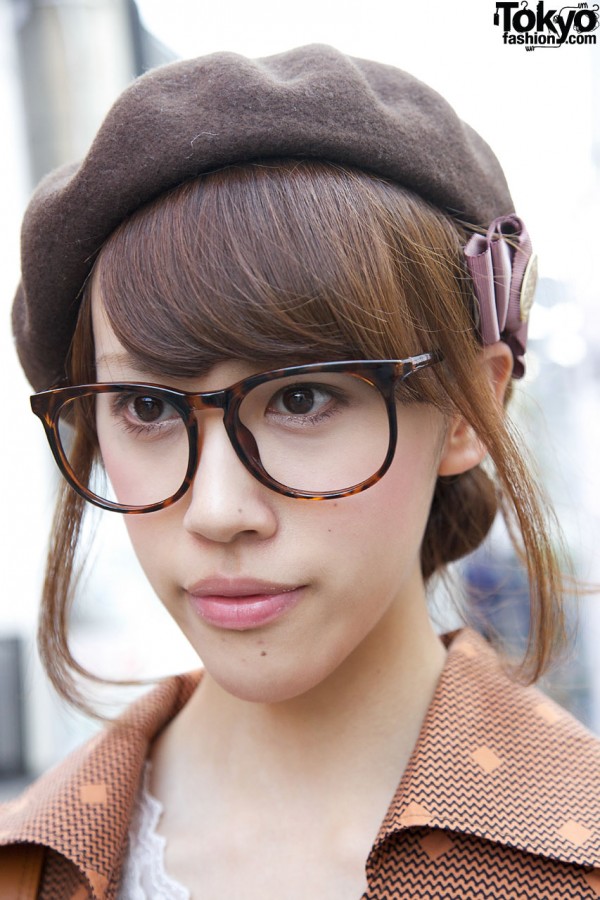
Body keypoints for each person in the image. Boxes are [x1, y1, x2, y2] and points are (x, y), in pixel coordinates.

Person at [1, 44, 599, 899]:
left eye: (304, 397)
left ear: (470, 408)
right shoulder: (35, 864)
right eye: (147, 408)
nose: (217, 510)